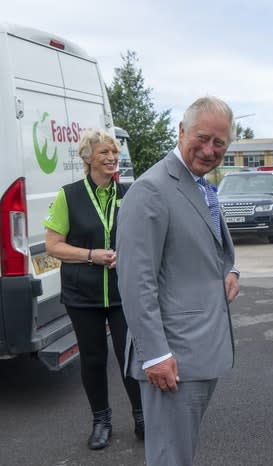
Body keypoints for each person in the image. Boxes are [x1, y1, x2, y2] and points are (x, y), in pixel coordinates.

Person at [116, 96, 240, 466]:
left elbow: (211, 249)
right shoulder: (151, 189)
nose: (209, 149)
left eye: (219, 143)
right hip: (173, 358)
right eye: (202, 138)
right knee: (170, 457)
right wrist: (155, 353)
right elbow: (136, 281)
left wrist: (230, 271)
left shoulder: (199, 185)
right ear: (181, 130)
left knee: (180, 453)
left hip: (200, 350)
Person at [43, 128, 143, 450]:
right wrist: (91, 256)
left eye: (114, 153)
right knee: (94, 358)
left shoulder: (129, 194)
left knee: (130, 357)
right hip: (82, 295)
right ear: (89, 159)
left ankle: (142, 416)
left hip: (122, 292)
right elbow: (53, 246)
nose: (112, 158)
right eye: (104, 153)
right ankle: (102, 421)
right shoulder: (68, 196)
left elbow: (144, 240)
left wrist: (124, 255)